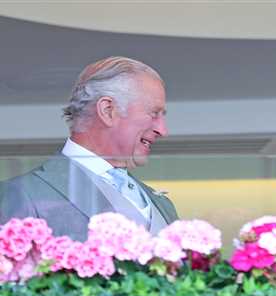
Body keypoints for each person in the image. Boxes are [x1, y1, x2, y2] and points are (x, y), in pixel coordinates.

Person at [0, 56, 178, 240]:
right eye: (153, 114)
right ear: (108, 110)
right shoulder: (22, 194)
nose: (162, 130)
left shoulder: (162, 204)